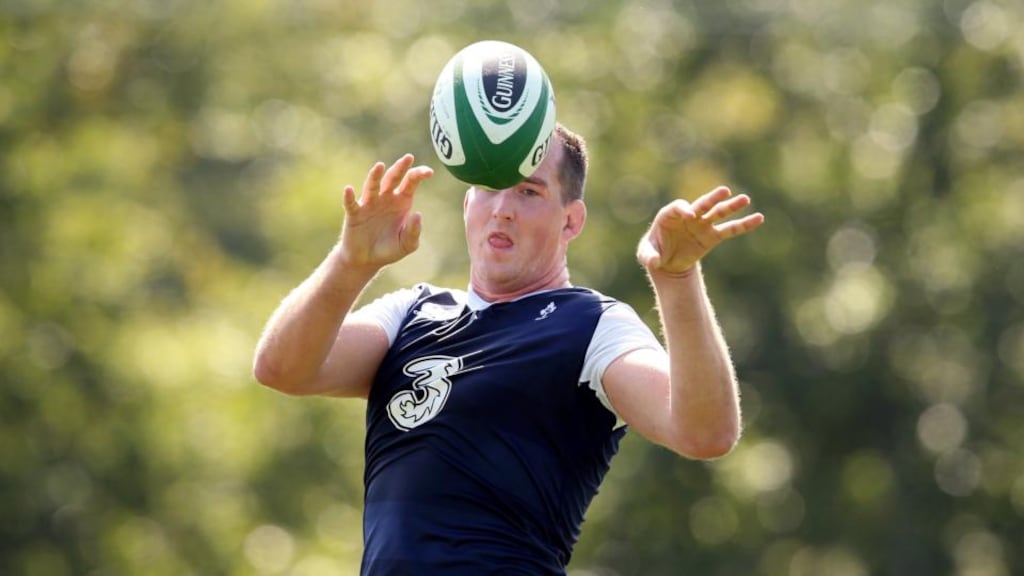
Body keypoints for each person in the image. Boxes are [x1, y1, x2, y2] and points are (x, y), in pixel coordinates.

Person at [252, 123, 764, 574]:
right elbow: (281, 369)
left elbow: (706, 432)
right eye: (490, 187)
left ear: (571, 221)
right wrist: (352, 262)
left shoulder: (591, 325)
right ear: (468, 202)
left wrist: (676, 279)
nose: (503, 210)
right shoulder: (411, 312)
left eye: (528, 192)